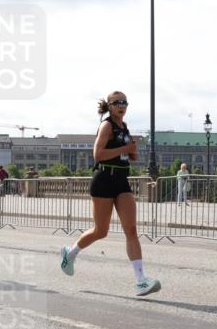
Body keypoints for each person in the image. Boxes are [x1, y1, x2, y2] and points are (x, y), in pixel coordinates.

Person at [59, 91, 161, 297]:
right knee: (101, 231)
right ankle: (70, 253)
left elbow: (130, 155)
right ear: (110, 105)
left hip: (121, 180)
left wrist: (132, 150)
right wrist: (124, 148)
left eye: (125, 102)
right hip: (104, 179)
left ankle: (141, 281)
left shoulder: (124, 127)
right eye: (117, 102)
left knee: (131, 230)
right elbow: (98, 154)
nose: (122, 106)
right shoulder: (106, 126)